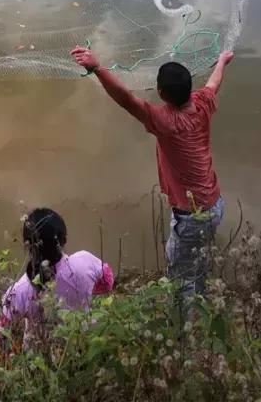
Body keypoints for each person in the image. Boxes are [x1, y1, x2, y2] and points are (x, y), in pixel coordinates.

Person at [70, 45, 233, 298]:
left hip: (192, 215)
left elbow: (126, 99)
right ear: (190, 89)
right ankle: (201, 299)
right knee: (197, 263)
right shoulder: (203, 103)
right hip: (215, 204)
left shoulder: (165, 121)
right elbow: (214, 83)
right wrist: (222, 61)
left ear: (160, 92)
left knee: (180, 275)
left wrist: (97, 68)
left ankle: (184, 316)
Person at [0, 208, 113, 345]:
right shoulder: (85, 261)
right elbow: (108, 283)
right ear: (64, 239)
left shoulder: (20, 290)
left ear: (28, 246)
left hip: (39, 355)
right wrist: (83, 292)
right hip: (84, 342)